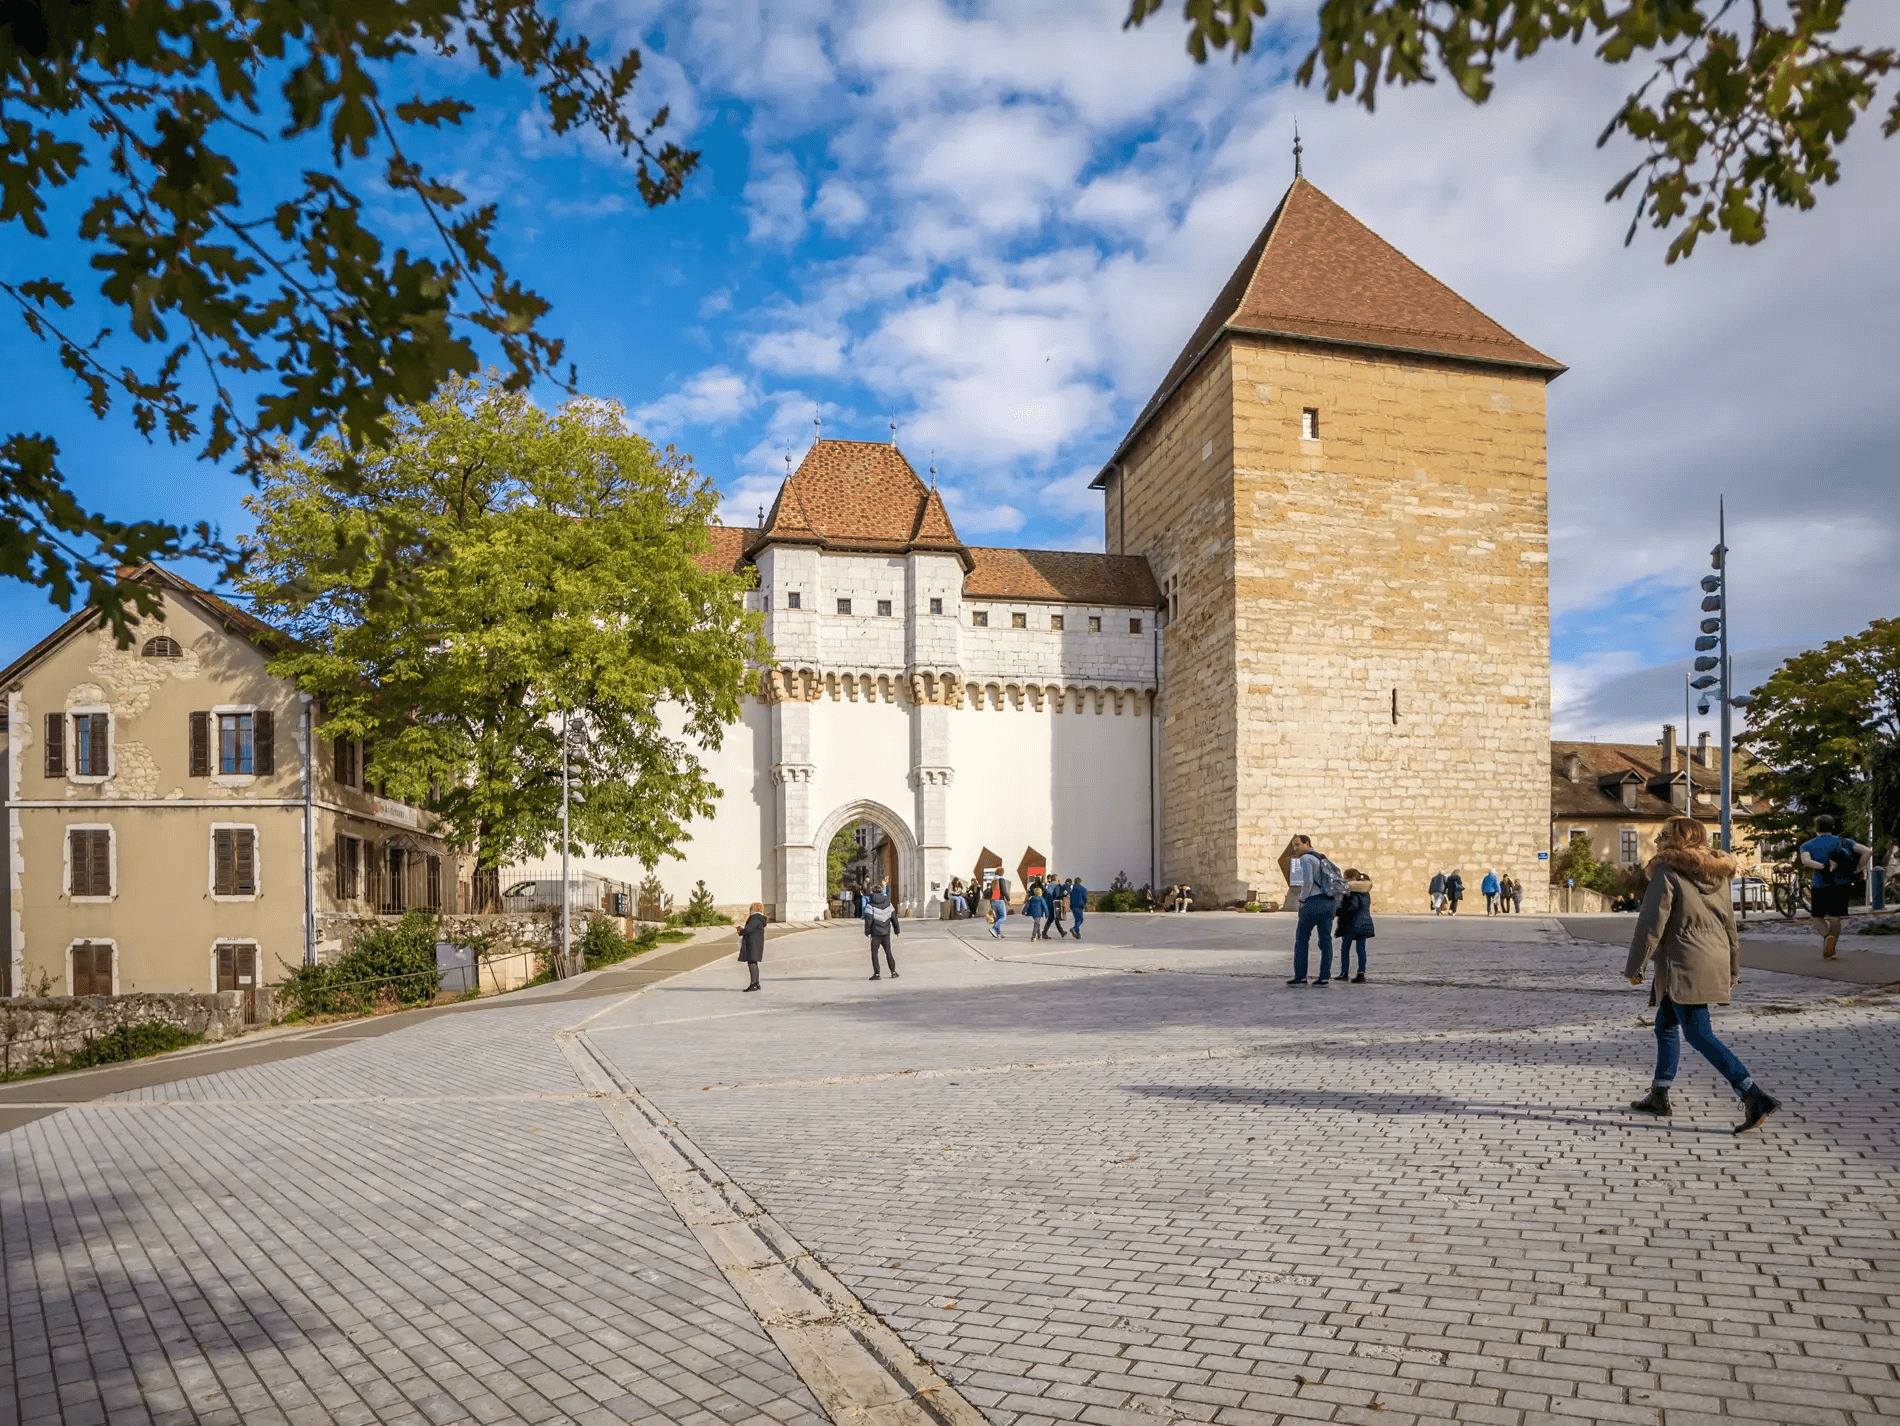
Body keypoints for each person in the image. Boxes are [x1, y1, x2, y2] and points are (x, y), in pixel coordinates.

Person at [1624, 816, 1780, 1134]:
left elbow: (1651, 923)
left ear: (1680, 841)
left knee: (1698, 1033)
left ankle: (1753, 1094)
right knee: (1666, 1025)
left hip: (1683, 961)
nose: (1657, 841)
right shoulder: (1718, 873)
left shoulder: (1666, 871)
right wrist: (1733, 967)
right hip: (1713, 956)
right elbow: (1730, 925)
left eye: (1663, 835)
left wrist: (1636, 965)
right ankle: (1659, 1093)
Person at [1799, 813, 1870, 959]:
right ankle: (1832, 944)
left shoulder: (1807, 845)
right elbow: (1867, 851)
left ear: (1816, 828)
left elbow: (1806, 862)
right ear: (1833, 827)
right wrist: (1859, 868)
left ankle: (1827, 938)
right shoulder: (1845, 841)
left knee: (1817, 916)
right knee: (1835, 916)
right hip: (1841, 884)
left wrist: (1823, 866)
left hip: (1820, 884)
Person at [1286, 835, 1339, 987]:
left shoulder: (1306, 859)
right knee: (1325, 941)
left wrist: (1302, 900)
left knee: (1302, 939)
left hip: (1314, 902)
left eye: (1297, 845)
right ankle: (1324, 977)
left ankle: (1301, 977)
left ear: (1306, 843)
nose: (1296, 848)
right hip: (1329, 902)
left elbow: (1307, 882)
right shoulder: (1322, 858)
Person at [1334, 869, 1375, 982]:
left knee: (1345, 949)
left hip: (1350, 924)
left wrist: (1338, 912)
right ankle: (1361, 973)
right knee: (1361, 949)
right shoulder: (1365, 892)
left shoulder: (1351, 893)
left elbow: (1351, 907)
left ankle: (1344, 973)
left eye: (1345, 877)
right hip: (1365, 924)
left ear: (1352, 879)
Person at [863, 888, 900, 979]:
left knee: (874, 953)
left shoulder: (870, 905)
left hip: (876, 933)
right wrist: (897, 929)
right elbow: (894, 917)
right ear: (881, 892)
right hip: (886, 932)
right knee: (888, 952)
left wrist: (867, 931)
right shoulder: (888, 904)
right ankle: (893, 972)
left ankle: (877, 973)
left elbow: (868, 920)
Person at [736, 902, 767, 991]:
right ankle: (756, 983)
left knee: (751, 963)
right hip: (757, 943)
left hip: (752, 943)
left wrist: (740, 931)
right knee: (754, 962)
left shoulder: (755, 918)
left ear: (755, 909)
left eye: (751, 908)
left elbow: (748, 929)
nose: (750, 909)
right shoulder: (760, 918)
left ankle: (753, 983)